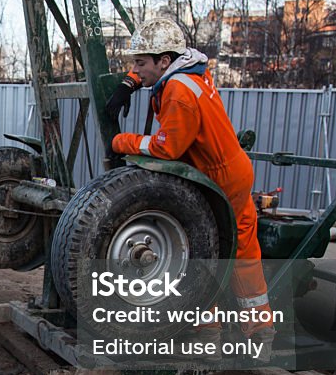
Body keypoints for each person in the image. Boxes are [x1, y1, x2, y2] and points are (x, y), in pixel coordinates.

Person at [106, 18, 275, 352]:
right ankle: (259, 329)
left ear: (164, 61)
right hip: (233, 169)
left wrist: (120, 141)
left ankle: (207, 330)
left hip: (218, 178)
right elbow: (152, 73)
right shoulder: (190, 70)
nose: (137, 69)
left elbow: (166, 147)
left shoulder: (179, 93)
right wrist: (128, 83)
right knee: (241, 249)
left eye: (140, 63)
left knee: (201, 251)